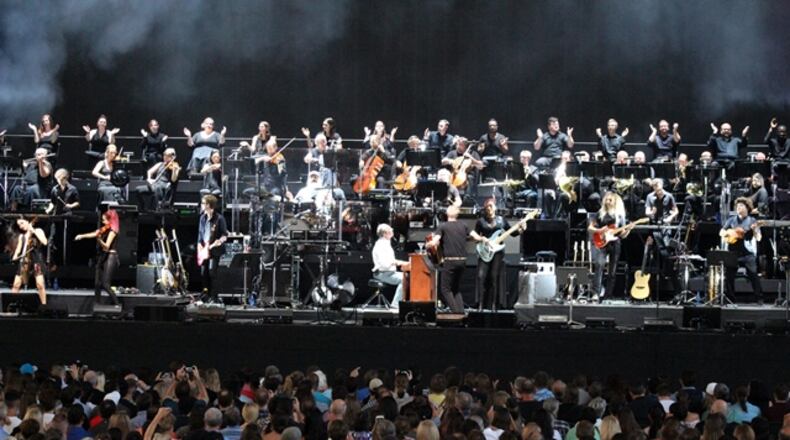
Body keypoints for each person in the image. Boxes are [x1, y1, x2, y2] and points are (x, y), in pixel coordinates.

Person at [470, 198, 522, 310]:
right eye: (487, 207)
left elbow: (512, 233)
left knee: (494, 277)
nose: (489, 209)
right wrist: (482, 239)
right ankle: (480, 304)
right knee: (481, 276)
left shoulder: (501, 220)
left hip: (498, 252)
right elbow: (475, 238)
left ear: (495, 207)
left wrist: (521, 229)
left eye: (491, 206)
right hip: (485, 251)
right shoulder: (480, 221)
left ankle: (494, 305)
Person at [719, 197, 763, 303]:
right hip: (733, 252)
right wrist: (730, 233)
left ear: (747, 208)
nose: (738, 207)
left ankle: (759, 298)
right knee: (729, 275)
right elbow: (721, 232)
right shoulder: (731, 220)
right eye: (737, 206)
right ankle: (730, 298)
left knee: (753, 274)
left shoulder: (752, 221)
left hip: (747, 253)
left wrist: (755, 230)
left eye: (741, 206)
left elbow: (759, 238)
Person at [588, 192, 629, 301]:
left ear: (614, 201)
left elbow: (623, 235)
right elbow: (590, 228)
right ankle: (596, 293)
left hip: (615, 243)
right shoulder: (600, 213)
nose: (608, 201)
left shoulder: (620, 216)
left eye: (610, 200)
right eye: (607, 199)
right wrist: (599, 230)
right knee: (599, 265)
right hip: (602, 242)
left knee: (612, 270)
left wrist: (628, 230)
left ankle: (608, 295)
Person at [428, 205, 468, 313]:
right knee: (456, 289)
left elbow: (435, 241)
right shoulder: (464, 225)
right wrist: (482, 239)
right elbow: (474, 236)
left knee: (445, 289)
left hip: (450, 261)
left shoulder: (443, 226)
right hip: (462, 261)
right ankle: (461, 313)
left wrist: (429, 244)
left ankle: (456, 314)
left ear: (447, 213)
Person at [75, 210, 120, 306]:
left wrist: (99, 240)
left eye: (104, 220)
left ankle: (117, 304)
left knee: (106, 284)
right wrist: (82, 236)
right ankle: (98, 304)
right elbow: (94, 233)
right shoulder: (106, 228)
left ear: (110, 220)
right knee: (97, 283)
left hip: (110, 257)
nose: (103, 222)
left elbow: (107, 247)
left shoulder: (113, 231)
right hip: (104, 257)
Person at [645, 178, 681, 296]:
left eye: (659, 188)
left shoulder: (669, 196)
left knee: (666, 253)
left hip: (666, 227)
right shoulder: (650, 197)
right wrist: (651, 213)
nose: (658, 191)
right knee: (654, 255)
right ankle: (650, 289)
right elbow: (647, 211)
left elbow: (675, 211)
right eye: (656, 189)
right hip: (654, 227)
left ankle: (670, 279)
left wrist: (670, 218)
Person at [10, 217, 48, 305]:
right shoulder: (22, 236)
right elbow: (18, 250)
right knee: (16, 285)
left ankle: (44, 306)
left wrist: (33, 231)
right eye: (19, 225)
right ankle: (10, 305)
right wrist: (15, 257)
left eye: (22, 223)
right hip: (24, 262)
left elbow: (45, 242)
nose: (20, 226)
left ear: (28, 221)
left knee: (40, 285)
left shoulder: (38, 231)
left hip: (36, 262)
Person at [198, 195, 228, 303]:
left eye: (203, 203)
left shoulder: (219, 218)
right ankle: (205, 293)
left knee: (212, 272)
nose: (201, 205)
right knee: (203, 273)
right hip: (204, 249)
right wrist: (199, 246)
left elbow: (224, 235)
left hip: (214, 250)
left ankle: (214, 296)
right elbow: (200, 235)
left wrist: (219, 242)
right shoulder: (202, 218)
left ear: (209, 205)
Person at [371, 224, 409, 308]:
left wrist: (399, 262)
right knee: (404, 278)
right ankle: (395, 305)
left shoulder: (386, 243)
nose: (392, 229)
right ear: (385, 233)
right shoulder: (381, 245)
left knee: (407, 276)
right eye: (390, 229)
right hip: (382, 273)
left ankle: (400, 303)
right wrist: (399, 263)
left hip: (388, 272)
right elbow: (385, 264)